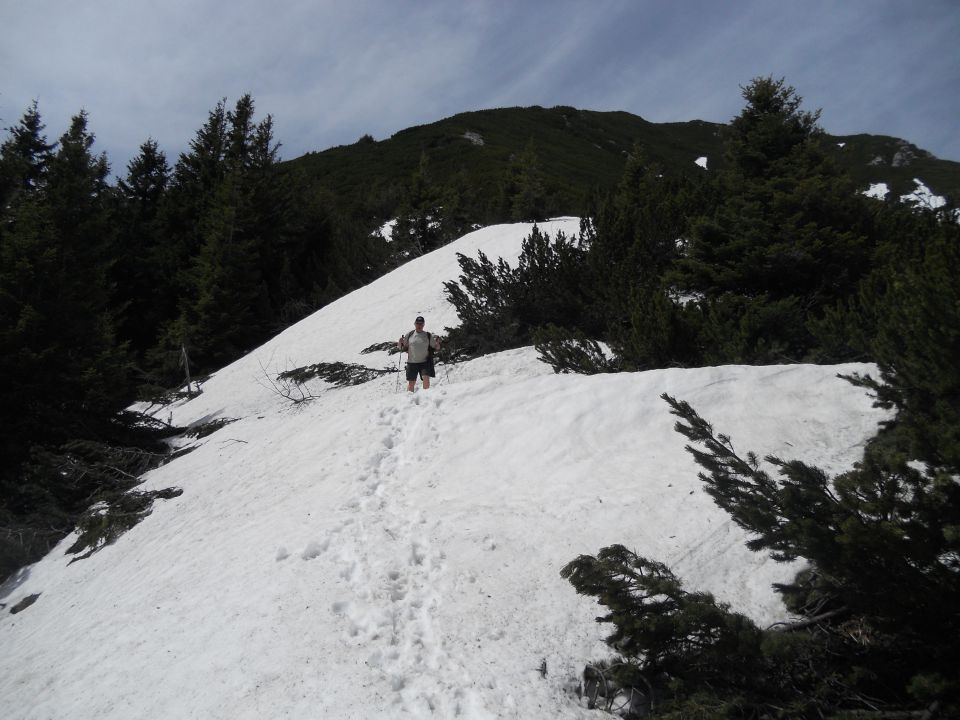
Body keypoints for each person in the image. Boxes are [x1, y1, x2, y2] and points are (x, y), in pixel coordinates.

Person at [398, 316, 441, 392]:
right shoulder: (410, 334)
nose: (419, 325)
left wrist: (438, 345)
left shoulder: (428, 335)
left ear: (423, 324)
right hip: (412, 362)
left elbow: (435, 347)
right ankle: (409, 399)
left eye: (421, 324)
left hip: (424, 362)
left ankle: (426, 396)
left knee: (426, 378)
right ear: (415, 324)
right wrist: (400, 342)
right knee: (411, 382)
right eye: (418, 323)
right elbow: (401, 347)